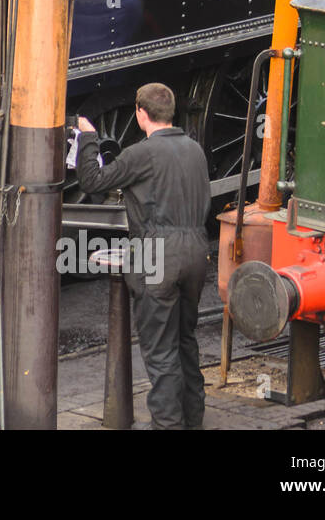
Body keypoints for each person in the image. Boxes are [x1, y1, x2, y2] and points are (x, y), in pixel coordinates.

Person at [74, 83, 212, 429]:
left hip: (157, 254)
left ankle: (168, 426)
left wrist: (88, 139)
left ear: (140, 113)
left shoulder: (142, 153)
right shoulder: (195, 150)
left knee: (161, 351)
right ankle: (193, 421)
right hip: (196, 250)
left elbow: (92, 180)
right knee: (184, 342)